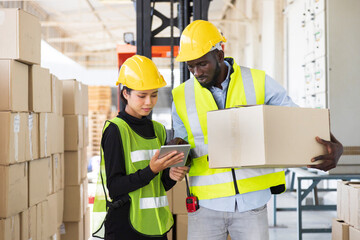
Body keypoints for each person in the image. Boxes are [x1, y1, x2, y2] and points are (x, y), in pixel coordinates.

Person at [171, 20, 343, 240]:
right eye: (190, 66)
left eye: (202, 64)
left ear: (220, 55)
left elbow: (295, 118)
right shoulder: (181, 95)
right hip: (205, 205)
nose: (196, 72)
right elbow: (182, 142)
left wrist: (333, 144)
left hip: (252, 203)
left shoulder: (257, 81)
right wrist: (177, 159)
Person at [92, 55, 189, 240]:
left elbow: (158, 186)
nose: (149, 102)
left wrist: (171, 176)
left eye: (154, 95)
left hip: (157, 226)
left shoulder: (158, 130)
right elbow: (114, 187)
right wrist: (152, 170)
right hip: (125, 228)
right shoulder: (115, 130)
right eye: (141, 95)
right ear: (125, 93)